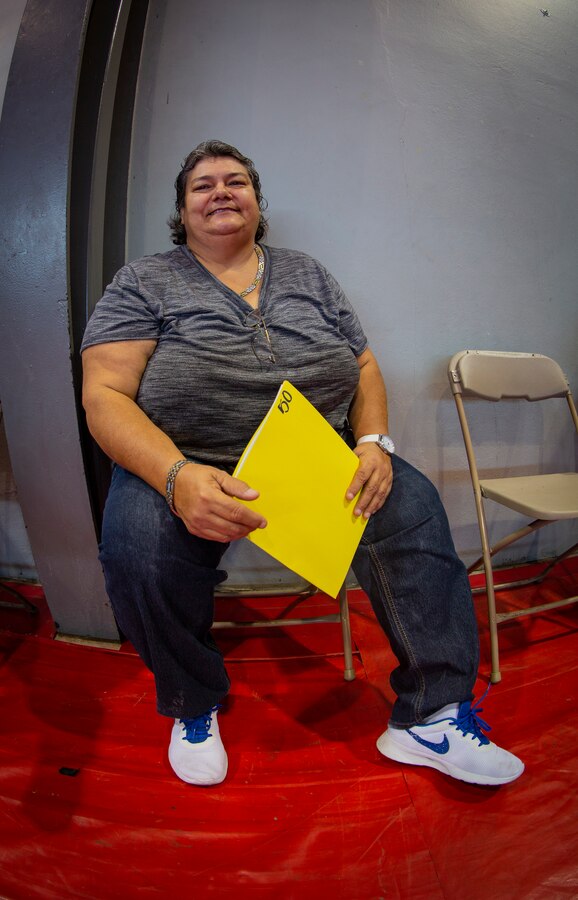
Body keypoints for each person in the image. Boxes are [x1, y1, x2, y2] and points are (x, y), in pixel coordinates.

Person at [81, 139, 524, 788]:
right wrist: (175, 478)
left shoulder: (307, 273)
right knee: (138, 547)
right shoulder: (146, 281)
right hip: (184, 462)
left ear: (258, 201)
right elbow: (104, 395)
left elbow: (364, 364)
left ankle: (430, 717)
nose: (221, 191)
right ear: (182, 209)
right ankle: (194, 702)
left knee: (412, 510)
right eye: (203, 185)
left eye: (236, 180)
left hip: (316, 455)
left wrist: (373, 443)